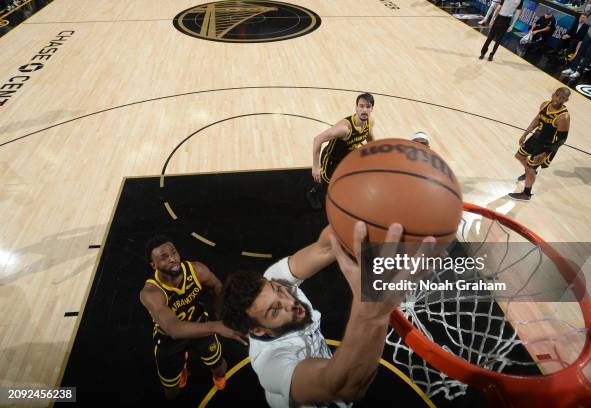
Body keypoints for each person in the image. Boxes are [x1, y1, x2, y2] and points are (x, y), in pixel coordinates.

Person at [221, 223, 434, 407]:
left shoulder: (274, 281)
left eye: (278, 289)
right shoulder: (271, 364)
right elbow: (344, 387)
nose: (290, 302)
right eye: (275, 310)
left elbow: (327, 246)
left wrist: (363, 214)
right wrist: (372, 309)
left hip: (325, 364)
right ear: (258, 329)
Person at [139, 236, 247, 399]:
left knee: (220, 368)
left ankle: (217, 377)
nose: (173, 259)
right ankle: (182, 365)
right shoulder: (151, 293)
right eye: (164, 257)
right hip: (169, 339)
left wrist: (221, 315)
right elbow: (173, 328)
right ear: (153, 265)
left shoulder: (196, 270)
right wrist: (216, 325)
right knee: (171, 392)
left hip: (199, 324)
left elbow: (216, 286)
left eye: (173, 252)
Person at [306, 93, 376, 209]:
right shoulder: (344, 129)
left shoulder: (370, 122)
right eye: (361, 106)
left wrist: (375, 154)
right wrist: (315, 165)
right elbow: (317, 139)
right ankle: (312, 194)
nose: (364, 110)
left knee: (347, 178)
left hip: (348, 157)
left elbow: (369, 137)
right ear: (356, 107)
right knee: (325, 183)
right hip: (332, 158)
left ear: (372, 108)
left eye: (368, 106)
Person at [510, 87, 571, 201]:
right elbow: (537, 119)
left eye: (562, 98)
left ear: (566, 100)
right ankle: (531, 172)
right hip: (536, 137)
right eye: (557, 95)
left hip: (547, 145)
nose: (559, 98)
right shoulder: (545, 104)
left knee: (530, 170)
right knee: (519, 156)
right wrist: (525, 133)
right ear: (553, 94)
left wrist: (545, 154)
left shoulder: (563, 117)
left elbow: (562, 140)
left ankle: (526, 194)